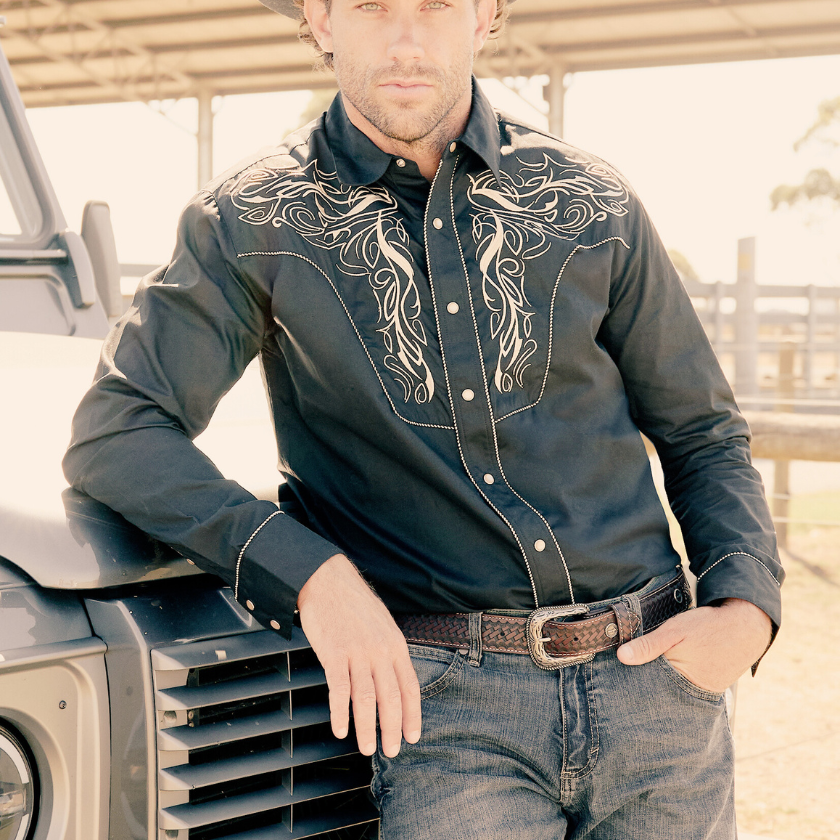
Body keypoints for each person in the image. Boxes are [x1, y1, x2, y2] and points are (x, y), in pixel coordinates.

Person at [63, 0, 783, 836]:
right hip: (446, 714)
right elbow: (119, 430)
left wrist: (745, 606)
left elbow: (703, 432)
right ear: (322, 19)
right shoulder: (248, 221)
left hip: (658, 684)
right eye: (372, 6)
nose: (406, 42)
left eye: (436, 5)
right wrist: (312, 575)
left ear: (484, 16)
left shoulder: (594, 201)